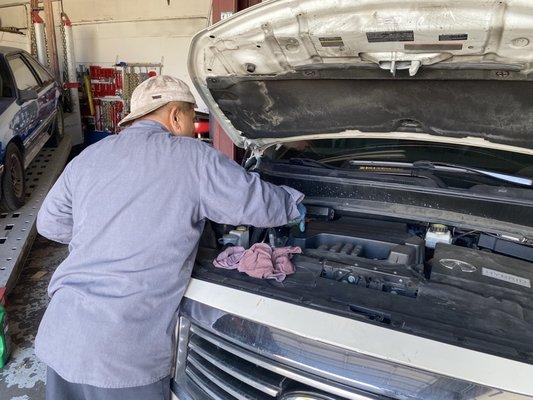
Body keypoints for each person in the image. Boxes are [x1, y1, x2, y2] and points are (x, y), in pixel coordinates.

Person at [35, 75, 305, 400]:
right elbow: (256, 202)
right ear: (176, 116)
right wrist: (295, 204)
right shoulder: (193, 157)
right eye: (193, 117)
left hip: (62, 336)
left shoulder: (89, 157)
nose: (194, 128)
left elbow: (48, 224)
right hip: (125, 354)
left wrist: (101, 233)